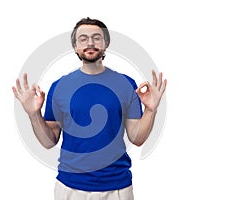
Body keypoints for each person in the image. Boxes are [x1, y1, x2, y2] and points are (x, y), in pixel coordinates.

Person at [12, 17, 167, 200]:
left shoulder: (126, 84)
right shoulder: (59, 87)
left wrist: (151, 109)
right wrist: (33, 114)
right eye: (83, 39)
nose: (90, 42)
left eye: (96, 37)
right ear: (75, 46)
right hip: (70, 187)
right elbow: (49, 142)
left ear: (106, 43)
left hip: (117, 187)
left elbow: (137, 138)